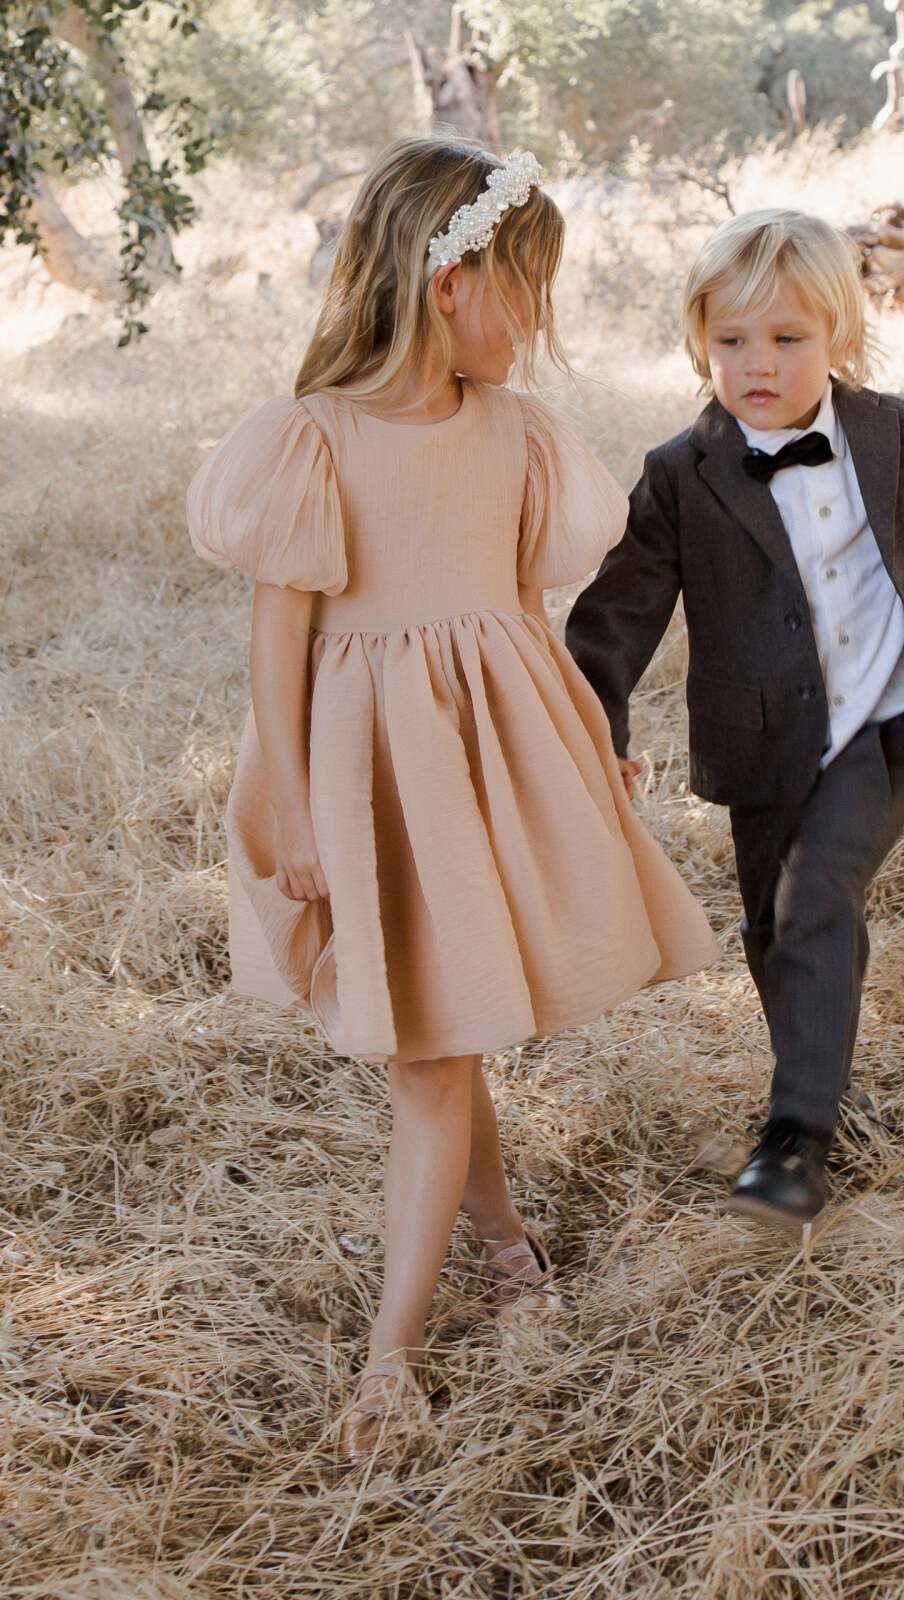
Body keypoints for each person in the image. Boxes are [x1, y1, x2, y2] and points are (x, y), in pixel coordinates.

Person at [185, 137, 718, 1460]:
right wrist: (301, 809)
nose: (537, 321)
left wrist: (588, 746)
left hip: (490, 753)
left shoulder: (520, 435)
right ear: (449, 280)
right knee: (432, 1051)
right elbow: (279, 641)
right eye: (525, 288)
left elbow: (524, 622)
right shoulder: (311, 440)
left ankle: (505, 1247)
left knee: (445, 1022)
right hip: (369, 775)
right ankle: (394, 1360)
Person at [565, 208, 904, 1231]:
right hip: (763, 741)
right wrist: (593, 728)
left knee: (815, 895)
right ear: (699, 341)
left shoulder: (898, 431)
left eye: (788, 338)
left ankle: (795, 1137)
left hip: (888, 721)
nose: (757, 363)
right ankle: (825, 1076)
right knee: (776, 925)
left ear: (839, 335)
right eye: (731, 341)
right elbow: (616, 616)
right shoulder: (681, 471)